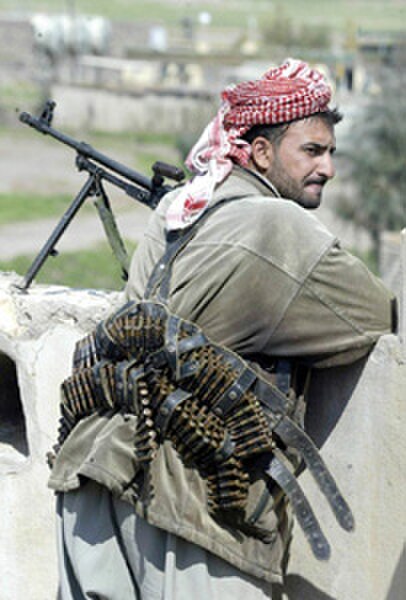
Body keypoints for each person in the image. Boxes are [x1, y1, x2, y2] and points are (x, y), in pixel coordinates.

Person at [48, 59, 396, 599]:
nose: (327, 167)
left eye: (331, 152)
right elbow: (377, 317)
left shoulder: (174, 211)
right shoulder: (280, 226)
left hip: (92, 473)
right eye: (311, 150)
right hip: (186, 505)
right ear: (259, 152)